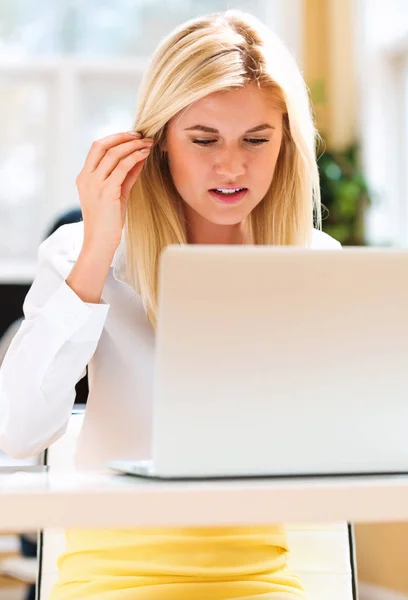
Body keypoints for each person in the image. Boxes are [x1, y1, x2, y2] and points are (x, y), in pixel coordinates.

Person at [0, 10, 341, 600]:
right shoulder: (84, 253)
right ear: (155, 143)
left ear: (286, 145)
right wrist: (96, 251)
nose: (232, 166)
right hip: (112, 576)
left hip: (259, 577)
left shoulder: (314, 261)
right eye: (204, 139)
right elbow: (16, 434)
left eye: (256, 141)